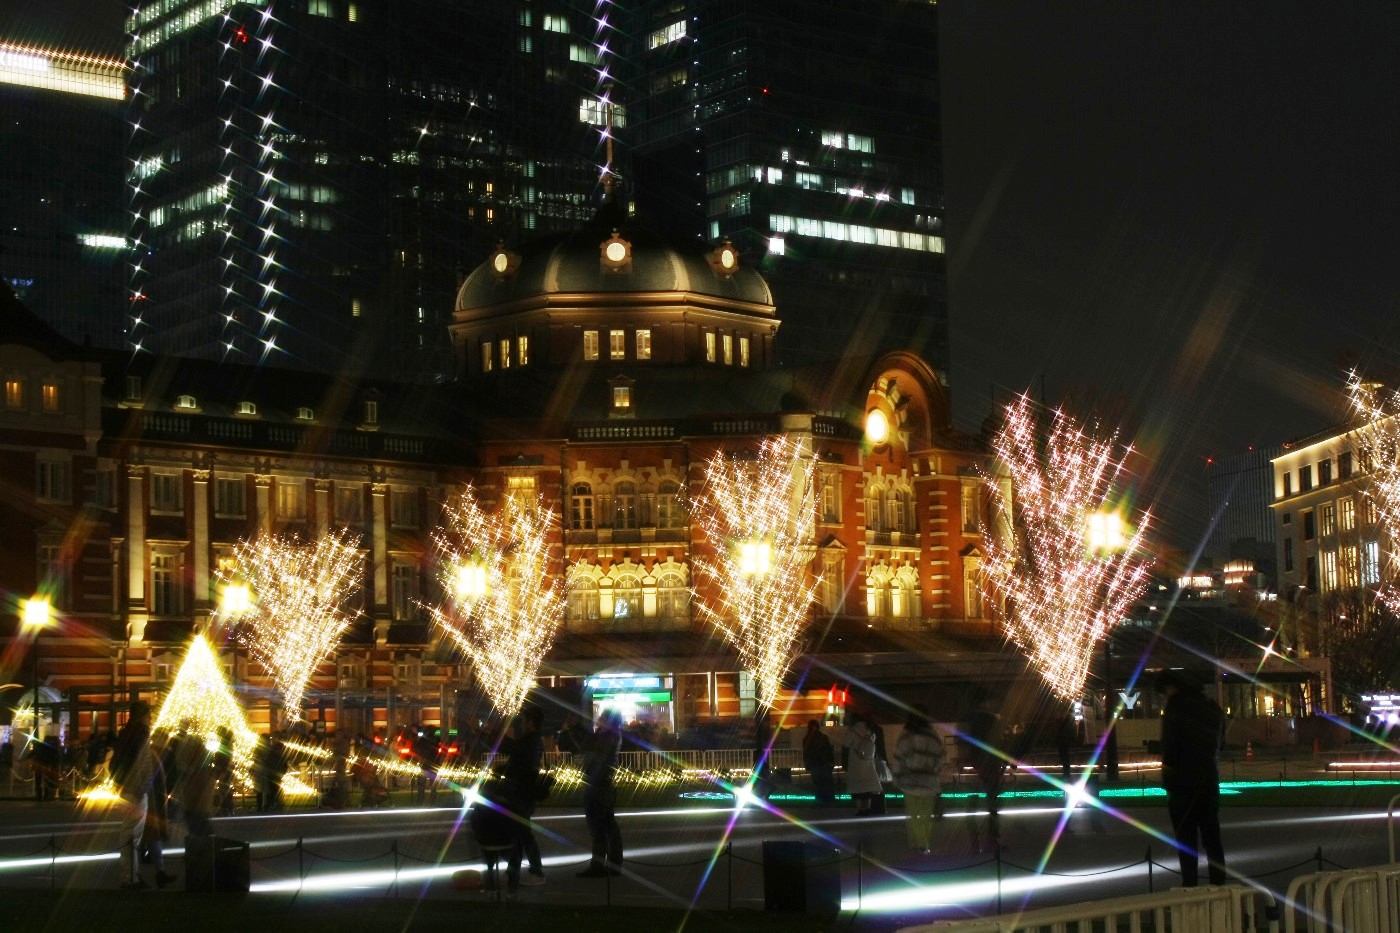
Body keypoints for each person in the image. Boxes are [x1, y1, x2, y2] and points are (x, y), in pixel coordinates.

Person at [1157, 668, 1228, 886]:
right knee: (1212, 838)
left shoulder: (1175, 708)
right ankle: (1218, 884)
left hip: (1182, 784)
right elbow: (1221, 744)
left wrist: (1169, 774)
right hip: (1208, 780)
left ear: (1170, 688)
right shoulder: (1212, 708)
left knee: (1186, 841)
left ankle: (1190, 886)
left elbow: (1171, 750)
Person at [110, 701, 175, 889]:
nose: (151, 719)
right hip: (136, 790)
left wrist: (119, 783)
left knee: (129, 834)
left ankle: (132, 875)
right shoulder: (141, 735)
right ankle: (130, 879)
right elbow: (143, 765)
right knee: (132, 836)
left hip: (126, 789)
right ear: (143, 716)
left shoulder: (125, 734)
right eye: (149, 716)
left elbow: (115, 764)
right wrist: (142, 788)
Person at [500, 707, 548, 891]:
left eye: (524, 720)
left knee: (523, 834)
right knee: (518, 833)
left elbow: (513, 751)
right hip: (521, 792)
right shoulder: (533, 741)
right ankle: (514, 871)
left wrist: (491, 736)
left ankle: (537, 872)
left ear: (530, 722)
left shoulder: (531, 741)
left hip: (522, 793)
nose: (521, 723)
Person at [576, 709, 623, 877]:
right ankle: (612, 863)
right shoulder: (609, 736)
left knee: (600, 827)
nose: (599, 719)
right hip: (600, 784)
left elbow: (593, 753)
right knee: (606, 825)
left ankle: (600, 865)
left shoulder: (608, 737)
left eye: (603, 717)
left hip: (599, 786)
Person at [893, 704, 945, 853]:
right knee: (926, 815)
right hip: (928, 782)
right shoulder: (932, 735)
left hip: (909, 782)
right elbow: (941, 758)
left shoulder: (906, 735)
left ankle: (915, 844)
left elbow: (898, 758)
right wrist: (932, 771)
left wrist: (897, 777)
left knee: (913, 816)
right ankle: (924, 844)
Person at [966, 697, 1006, 851]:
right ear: (985, 702)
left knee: (973, 805)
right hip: (990, 765)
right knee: (993, 804)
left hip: (977, 765)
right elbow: (997, 743)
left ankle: (974, 842)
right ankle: (991, 840)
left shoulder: (970, 720)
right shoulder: (991, 720)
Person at [843, 711, 882, 816]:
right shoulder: (870, 730)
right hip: (868, 762)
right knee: (867, 787)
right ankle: (867, 808)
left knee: (857, 787)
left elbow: (846, 744)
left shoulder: (852, 731)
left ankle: (859, 809)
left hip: (856, 762)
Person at [802, 720, 836, 805]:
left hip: (814, 764)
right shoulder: (823, 737)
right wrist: (831, 762)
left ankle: (820, 800)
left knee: (818, 784)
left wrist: (807, 764)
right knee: (826, 783)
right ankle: (828, 800)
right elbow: (828, 751)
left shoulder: (806, 739)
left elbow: (806, 753)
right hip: (825, 764)